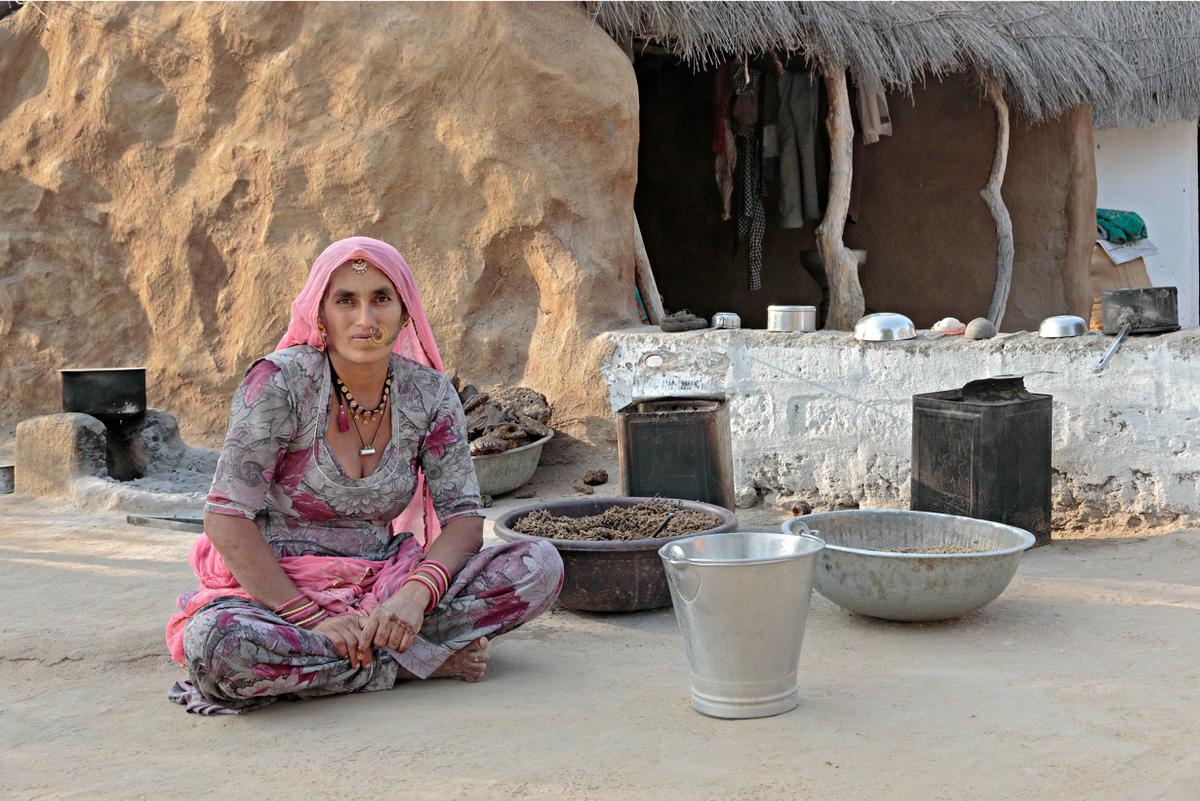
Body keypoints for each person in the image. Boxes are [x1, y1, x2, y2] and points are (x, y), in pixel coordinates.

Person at [165, 236, 563, 715]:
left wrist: (415, 597)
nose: (365, 319)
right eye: (345, 301)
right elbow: (226, 520)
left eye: (381, 299)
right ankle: (411, 663)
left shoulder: (430, 395)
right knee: (217, 646)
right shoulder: (279, 383)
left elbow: (462, 517)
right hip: (279, 592)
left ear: (405, 310)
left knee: (539, 565)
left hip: (386, 584)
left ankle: (354, 658)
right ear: (320, 314)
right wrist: (310, 619)